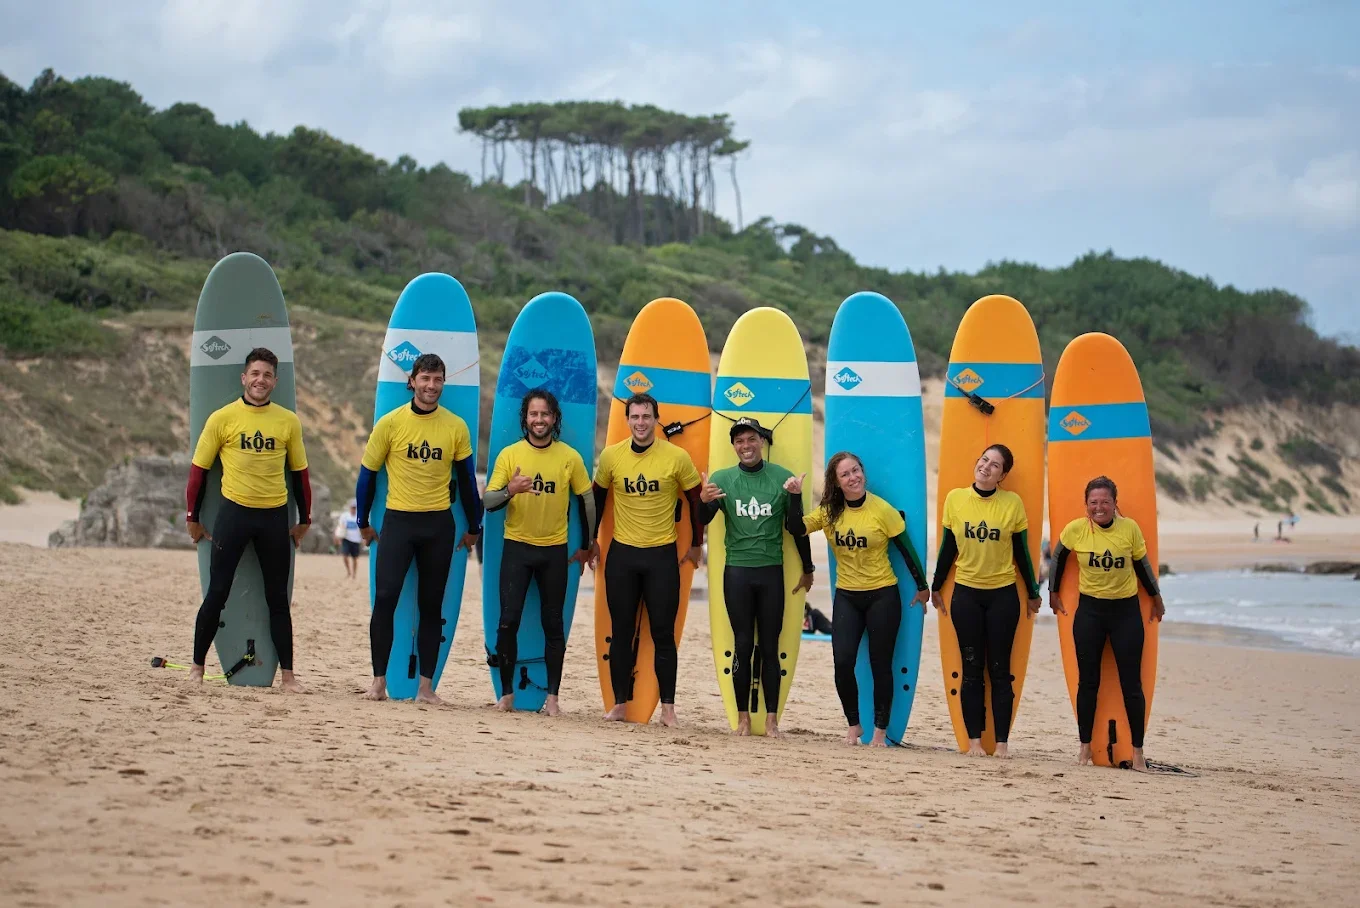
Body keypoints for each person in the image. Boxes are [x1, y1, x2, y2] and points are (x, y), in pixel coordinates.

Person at [355, 352, 482, 705]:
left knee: (431, 606)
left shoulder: (455, 426)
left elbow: (467, 482)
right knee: (385, 601)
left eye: (437, 379)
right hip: (398, 521)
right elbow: (367, 476)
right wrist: (363, 521)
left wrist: (474, 526)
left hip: (438, 525)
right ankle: (378, 683)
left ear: (443, 383)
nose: (431, 385)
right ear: (412, 381)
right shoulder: (390, 423)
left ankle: (426, 688)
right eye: (425, 378)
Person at [185, 347, 311, 692]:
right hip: (234, 514)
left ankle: (288, 677)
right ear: (244, 378)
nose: (260, 380)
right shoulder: (222, 418)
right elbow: (198, 472)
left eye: (267, 375)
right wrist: (192, 517)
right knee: (217, 593)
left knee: (277, 599)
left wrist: (305, 520)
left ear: (275, 381)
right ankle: (196, 669)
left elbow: (300, 474)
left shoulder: (287, 421)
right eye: (255, 374)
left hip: (274, 517)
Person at [784, 452, 930, 746]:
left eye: (856, 470)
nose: (854, 478)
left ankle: (879, 731)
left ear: (863, 471)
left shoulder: (882, 510)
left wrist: (923, 587)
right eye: (845, 475)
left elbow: (906, 548)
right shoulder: (829, 512)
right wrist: (795, 498)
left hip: (883, 595)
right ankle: (854, 725)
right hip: (848, 596)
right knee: (843, 662)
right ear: (836, 483)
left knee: (880, 664)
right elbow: (796, 527)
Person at [590, 392, 704, 727]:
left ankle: (668, 709)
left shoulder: (676, 457)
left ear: (656, 419)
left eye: (646, 417)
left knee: (663, 634)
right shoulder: (612, 457)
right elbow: (596, 502)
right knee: (622, 633)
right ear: (627, 421)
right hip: (622, 555)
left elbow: (696, 501)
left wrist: (697, 543)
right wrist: (589, 542)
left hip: (661, 557)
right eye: (635, 417)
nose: (640, 423)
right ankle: (619, 705)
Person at [697, 417, 815, 738]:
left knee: (769, 647)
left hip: (770, 573)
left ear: (761, 441)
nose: (745, 446)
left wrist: (808, 567)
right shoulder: (723, 479)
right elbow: (702, 520)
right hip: (737, 572)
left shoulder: (782, 479)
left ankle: (773, 719)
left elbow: (795, 528)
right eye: (739, 441)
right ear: (733, 446)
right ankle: (743, 718)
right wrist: (703, 502)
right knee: (743, 645)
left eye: (751, 439)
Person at [482, 389, 595, 717]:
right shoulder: (510, 455)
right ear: (525, 418)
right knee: (508, 622)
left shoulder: (568, 457)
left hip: (554, 552)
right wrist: (510, 490)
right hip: (517, 548)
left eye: (545, 414)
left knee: (553, 625)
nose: (539, 419)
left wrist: (587, 545)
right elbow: (489, 503)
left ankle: (553, 698)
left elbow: (587, 501)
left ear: (554, 418)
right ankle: (506, 695)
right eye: (534, 414)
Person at [930, 443, 1042, 758]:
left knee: (999, 670)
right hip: (966, 594)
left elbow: (1022, 552)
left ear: (1002, 475)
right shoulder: (955, 499)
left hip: (1003, 596)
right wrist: (936, 585)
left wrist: (1033, 592)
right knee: (971, 669)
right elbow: (947, 548)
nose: (986, 466)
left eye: (995, 465)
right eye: (984, 459)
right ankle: (975, 744)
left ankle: (1003, 744)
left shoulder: (1012, 504)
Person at [1049, 476, 1164, 772]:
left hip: (1126, 613)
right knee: (1088, 682)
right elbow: (1058, 556)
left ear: (1115, 503)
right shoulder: (1076, 529)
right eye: (1093, 503)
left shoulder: (1130, 529)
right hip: (1090, 613)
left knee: (1131, 684)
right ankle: (1084, 747)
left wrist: (1156, 597)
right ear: (1086, 505)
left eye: (1105, 502)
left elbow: (1142, 565)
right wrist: (1053, 591)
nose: (1099, 508)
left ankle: (1138, 752)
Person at [334, 498, 363, 579]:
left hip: (356, 540)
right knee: (345, 556)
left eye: (355, 508)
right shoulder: (345, 516)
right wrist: (338, 537)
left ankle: (354, 574)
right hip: (346, 539)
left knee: (355, 558)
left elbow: (361, 528)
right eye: (352, 507)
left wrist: (363, 539)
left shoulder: (359, 516)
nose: (353, 509)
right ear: (350, 507)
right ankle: (348, 571)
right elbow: (340, 527)